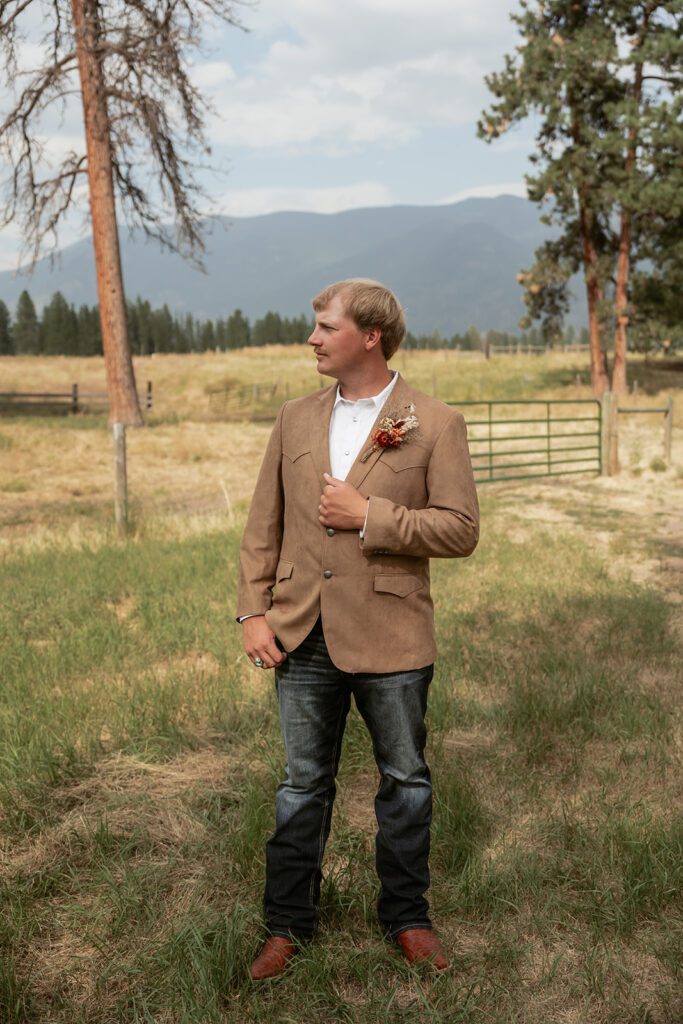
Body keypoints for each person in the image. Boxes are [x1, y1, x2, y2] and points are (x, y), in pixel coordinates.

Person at [236, 278, 479, 980]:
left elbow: (460, 529)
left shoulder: (434, 421)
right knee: (300, 786)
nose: (311, 338)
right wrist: (254, 612)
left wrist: (369, 515)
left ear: (369, 336)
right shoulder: (292, 418)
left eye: (324, 326)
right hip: (300, 634)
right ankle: (286, 927)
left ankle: (406, 918)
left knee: (404, 781)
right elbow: (263, 525)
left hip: (393, 636)